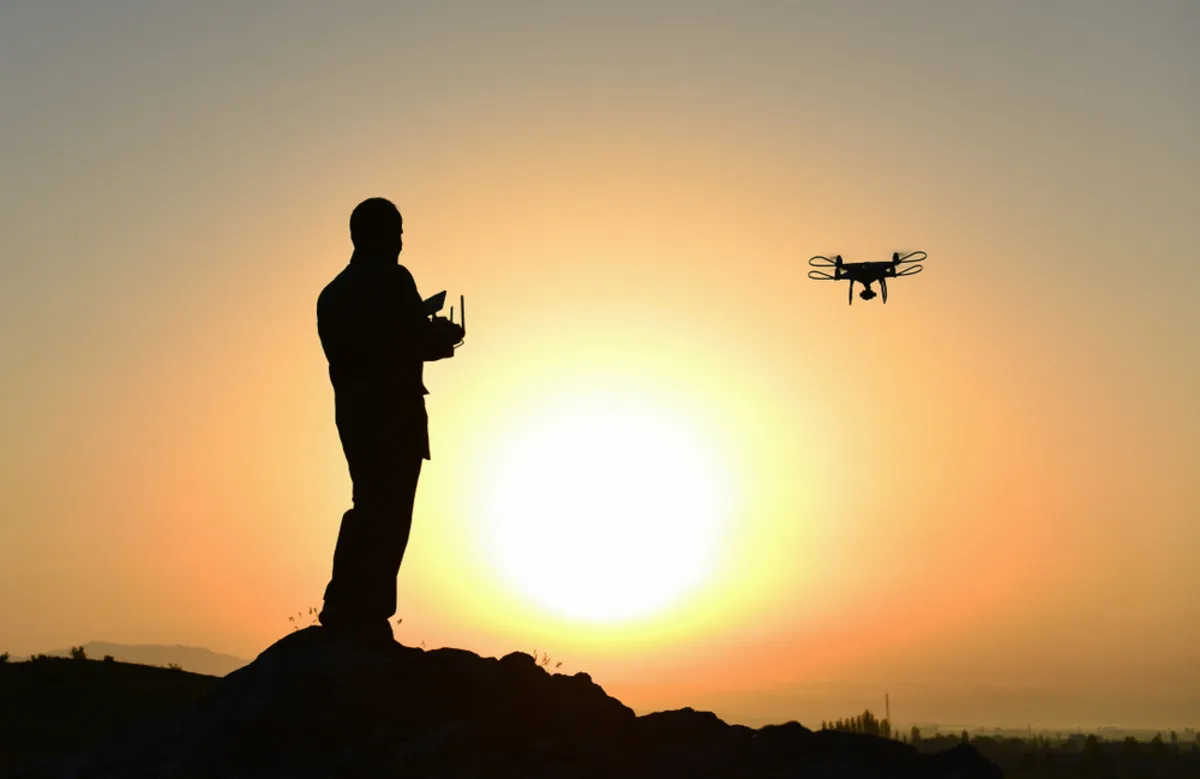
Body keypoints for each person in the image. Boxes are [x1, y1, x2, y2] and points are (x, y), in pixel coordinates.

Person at [316, 197, 464, 644]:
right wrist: (443, 337)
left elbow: (361, 349)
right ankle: (363, 609)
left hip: (354, 416)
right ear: (373, 234)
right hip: (394, 415)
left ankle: (346, 603)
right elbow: (406, 341)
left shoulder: (332, 294)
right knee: (391, 513)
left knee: (369, 504)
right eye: (396, 232)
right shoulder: (394, 281)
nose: (401, 242)